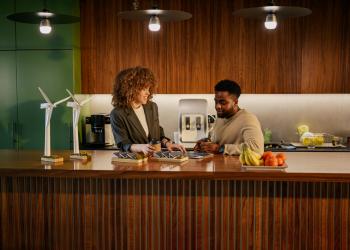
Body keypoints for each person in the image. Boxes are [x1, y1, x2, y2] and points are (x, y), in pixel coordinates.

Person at [110, 67, 186, 155]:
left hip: (154, 162)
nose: (148, 93)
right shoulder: (117, 114)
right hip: (135, 163)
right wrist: (141, 147)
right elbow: (123, 144)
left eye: (149, 89)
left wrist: (167, 143)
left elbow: (158, 133)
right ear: (130, 89)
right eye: (144, 89)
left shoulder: (152, 107)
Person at [194, 80, 264, 155]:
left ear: (235, 102)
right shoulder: (221, 117)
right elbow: (218, 141)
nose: (217, 106)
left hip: (236, 166)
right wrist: (205, 143)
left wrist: (220, 149)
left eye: (223, 102)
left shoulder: (248, 119)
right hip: (220, 166)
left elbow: (256, 149)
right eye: (216, 101)